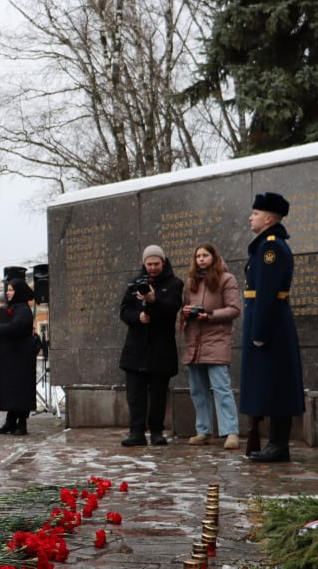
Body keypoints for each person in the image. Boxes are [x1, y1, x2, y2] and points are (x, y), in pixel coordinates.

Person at [241, 193, 305, 463]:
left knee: (277, 384)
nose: (250, 217)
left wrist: (259, 332)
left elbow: (266, 294)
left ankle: (279, 445)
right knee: (270, 383)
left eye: (255, 213)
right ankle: (275, 444)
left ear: (268, 218)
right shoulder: (267, 245)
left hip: (271, 324)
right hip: (269, 322)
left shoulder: (270, 248)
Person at [117, 245, 183, 447]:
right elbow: (124, 310)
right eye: (149, 264)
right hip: (136, 347)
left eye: (156, 263)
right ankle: (136, 432)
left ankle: (156, 431)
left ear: (163, 263)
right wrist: (138, 317)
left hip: (161, 347)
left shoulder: (174, 283)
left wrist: (153, 300)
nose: (153, 267)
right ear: (144, 264)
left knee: (158, 394)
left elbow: (172, 307)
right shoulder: (134, 284)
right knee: (135, 394)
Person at [180, 243, 243, 450]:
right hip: (195, 342)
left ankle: (231, 432)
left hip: (216, 340)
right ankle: (203, 431)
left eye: (205, 255)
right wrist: (186, 312)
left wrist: (210, 315)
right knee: (198, 391)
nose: (200, 259)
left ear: (214, 257)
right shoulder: (191, 282)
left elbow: (234, 309)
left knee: (221, 389)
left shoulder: (227, 279)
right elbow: (183, 309)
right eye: (197, 256)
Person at [0, 279, 39, 435]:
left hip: (21, 357)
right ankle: (10, 422)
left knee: (20, 390)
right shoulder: (10, 308)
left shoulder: (23, 309)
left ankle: (21, 424)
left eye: (11, 290)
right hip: (10, 357)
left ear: (19, 292)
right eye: (7, 290)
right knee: (11, 390)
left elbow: (16, 327)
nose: (8, 293)